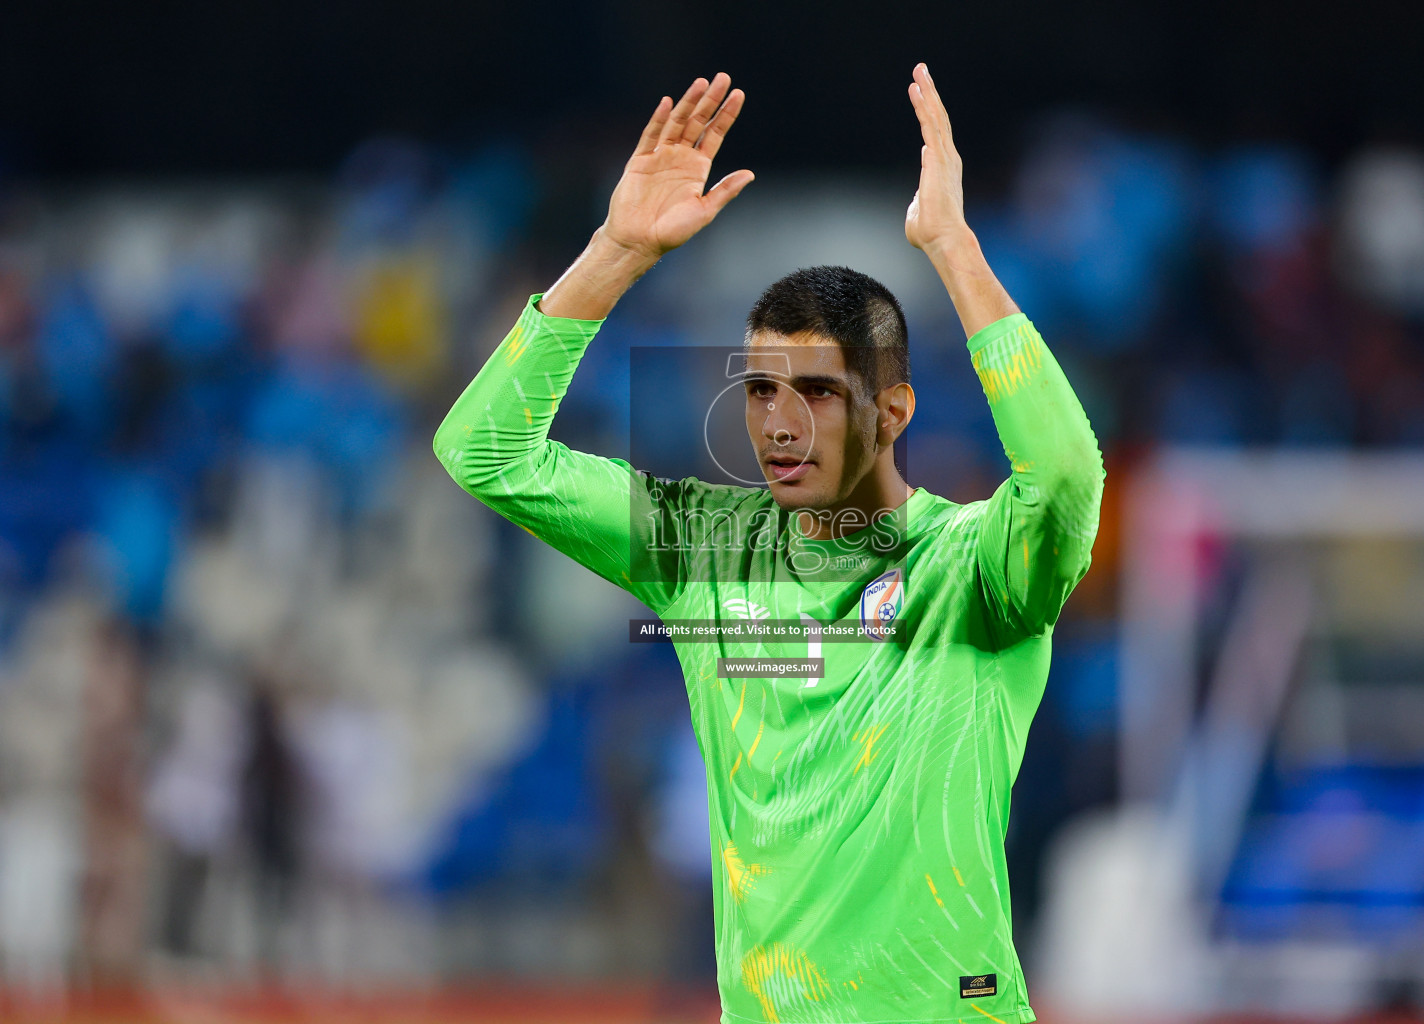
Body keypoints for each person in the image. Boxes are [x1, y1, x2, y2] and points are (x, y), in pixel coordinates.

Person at [435, 64, 1104, 1024]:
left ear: (893, 409)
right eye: (759, 391)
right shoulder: (705, 548)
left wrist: (953, 250)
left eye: (819, 393)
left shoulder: (973, 570)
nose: (780, 425)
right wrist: (616, 252)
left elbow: (1069, 478)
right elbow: (483, 454)